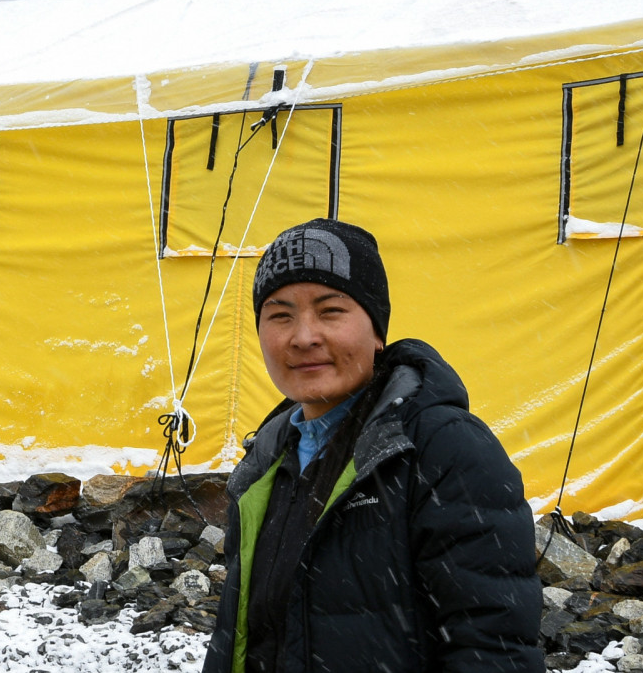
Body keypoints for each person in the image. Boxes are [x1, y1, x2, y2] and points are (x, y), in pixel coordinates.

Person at [202, 218, 542, 673]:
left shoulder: (443, 449)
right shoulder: (267, 458)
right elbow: (239, 638)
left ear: (377, 331)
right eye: (280, 315)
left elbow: (494, 651)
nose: (303, 336)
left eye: (331, 310)